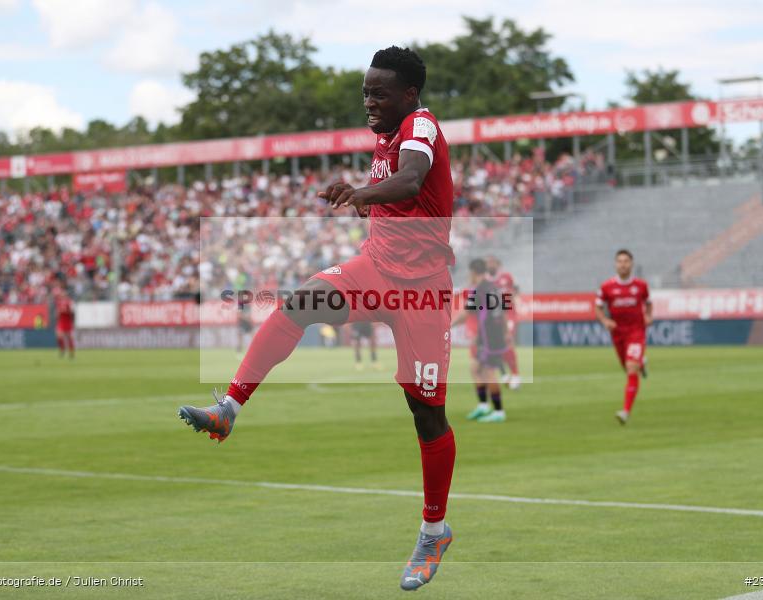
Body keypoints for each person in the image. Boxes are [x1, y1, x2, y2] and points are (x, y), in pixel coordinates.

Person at [178, 46, 455, 590]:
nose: (369, 101)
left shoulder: (420, 124)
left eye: (379, 92)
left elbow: (411, 181)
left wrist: (363, 193)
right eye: (365, 91)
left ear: (410, 94)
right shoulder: (385, 132)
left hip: (422, 290)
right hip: (375, 269)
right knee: (298, 305)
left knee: (426, 416)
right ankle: (229, 407)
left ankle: (434, 531)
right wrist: (359, 196)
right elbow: (393, 192)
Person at [594, 249, 652, 425]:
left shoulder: (641, 286)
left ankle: (625, 411)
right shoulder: (607, 287)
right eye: (619, 261)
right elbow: (597, 306)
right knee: (627, 367)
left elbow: (648, 303)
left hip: (636, 332)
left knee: (631, 367)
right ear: (615, 264)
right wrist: (605, 321)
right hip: (618, 333)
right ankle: (642, 361)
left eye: (626, 261)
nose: (623, 264)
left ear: (631, 264)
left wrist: (648, 316)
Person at [456, 258, 509, 423]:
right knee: (475, 368)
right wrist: (506, 331)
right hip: (492, 335)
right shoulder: (494, 287)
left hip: (489, 337)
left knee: (488, 372)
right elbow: (503, 311)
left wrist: (448, 325)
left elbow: (466, 313)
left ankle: (499, 411)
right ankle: (483, 406)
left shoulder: (478, 290)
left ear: (473, 272)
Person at [485, 256, 520, 390]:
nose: (490, 265)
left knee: (507, 341)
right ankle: (505, 375)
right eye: (488, 263)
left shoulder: (507, 277)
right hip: (494, 318)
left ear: (497, 264)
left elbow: (515, 290)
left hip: (509, 314)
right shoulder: (485, 281)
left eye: (492, 263)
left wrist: (512, 297)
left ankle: (515, 375)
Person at [54, 288, 75, 359]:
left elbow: (72, 312)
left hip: (68, 321)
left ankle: (71, 353)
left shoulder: (70, 302)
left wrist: (66, 311)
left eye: (64, 294)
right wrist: (58, 313)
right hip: (61, 321)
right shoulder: (59, 302)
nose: (62, 295)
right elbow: (58, 312)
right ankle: (62, 350)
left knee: (69, 338)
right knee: (59, 337)